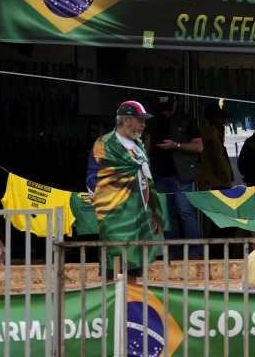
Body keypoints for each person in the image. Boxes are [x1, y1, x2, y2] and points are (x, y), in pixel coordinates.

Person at [91, 101, 165, 279]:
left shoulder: (138, 145)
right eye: (140, 120)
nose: (143, 124)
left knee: (134, 267)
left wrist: (155, 212)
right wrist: (106, 213)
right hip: (116, 217)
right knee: (114, 267)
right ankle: (113, 306)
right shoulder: (105, 144)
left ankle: (130, 305)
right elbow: (93, 180)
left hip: (139, 216)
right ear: (126, 120)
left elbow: (147, 179)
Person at [147, 94, 203, 255]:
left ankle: (195, 251)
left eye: (169, 109)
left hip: (181, 176)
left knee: (185, 212)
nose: (166, 113)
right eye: (163, 110)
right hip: (159, 175)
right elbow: (148, 145)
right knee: (167, 215)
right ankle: (173, 253)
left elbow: (199, 147)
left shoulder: (187, 120)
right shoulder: (153, 121)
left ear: (176, 103)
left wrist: (176, 145)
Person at [199, 102, 234, 190]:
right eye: (221, 118)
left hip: (214, 180)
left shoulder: (208, 131)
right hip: (215, 181)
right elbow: (211, 153)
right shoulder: (210, 131)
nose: (223, 122)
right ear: (214, 118)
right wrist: (219, 173)